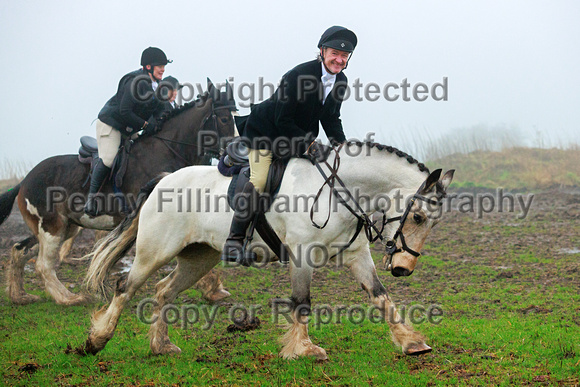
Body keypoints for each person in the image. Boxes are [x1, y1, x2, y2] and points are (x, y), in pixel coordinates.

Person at [221, 26, 357, 263]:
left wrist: (341, 148)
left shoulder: (341, 81)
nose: (339, 59)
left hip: (294, 138)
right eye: (335, 53)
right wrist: (308, 144)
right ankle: (234, 240)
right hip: (265, 133)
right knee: (260, 178)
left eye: (344, 56)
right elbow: (281, 119)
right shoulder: (297, 76)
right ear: (322, 51)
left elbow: (331, 118)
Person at [84, 47, 172, 216]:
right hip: (111, 124)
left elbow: (162, 108)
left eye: (163, 65)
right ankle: (91, 199)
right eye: (159, 65)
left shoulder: (157, 86)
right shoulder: (136, 82)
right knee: (109, 160)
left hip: (129, 126)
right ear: (148, 67)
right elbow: (125, 111)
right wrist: (146, 125)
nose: (163, 69)